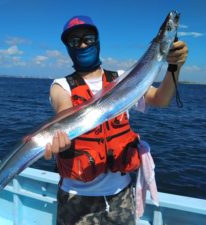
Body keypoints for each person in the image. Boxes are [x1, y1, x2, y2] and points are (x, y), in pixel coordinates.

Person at [44, 15, 188, 225]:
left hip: (120, 195)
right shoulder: (61, 86)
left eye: (88, 38)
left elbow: (161, 99)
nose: (83, 44)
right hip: (75, 197)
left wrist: (175, 67)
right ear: (68, 47)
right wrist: (60, 134)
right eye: (75, 41)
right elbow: (65, 110)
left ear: (98, 41)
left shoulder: (123, 80)